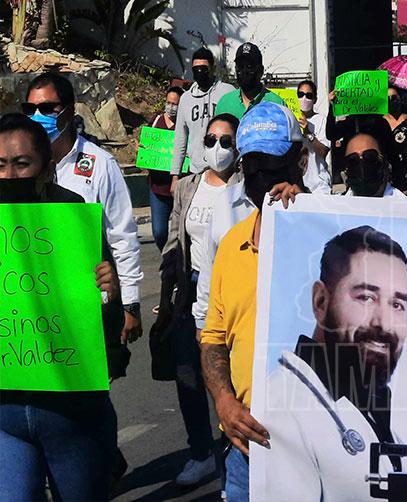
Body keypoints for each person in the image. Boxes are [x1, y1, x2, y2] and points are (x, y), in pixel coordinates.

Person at [0, 113, 124, 501]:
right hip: (6, 410)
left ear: (46, 167)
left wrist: (109, 292)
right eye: (0, 164)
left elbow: (104, 320)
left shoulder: (73, 215)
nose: (9, 175)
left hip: (70, 409)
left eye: (21, 163)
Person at [257, 225, 407, 500]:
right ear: (321, 302)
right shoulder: (281, 409)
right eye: (366, 297)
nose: (384, 323)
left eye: (397, 304)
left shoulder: (372, 409)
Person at [200, 102, 306, 502]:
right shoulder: (232, 245)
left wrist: (306, 215)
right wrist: (224, 402)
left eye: (274, 165)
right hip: (248, 452)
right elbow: (213, 338)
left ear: (298, 161)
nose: (263, 177)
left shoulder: (334, 235)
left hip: (322, 449)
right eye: (253, 166)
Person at [154, 113, 243, 486]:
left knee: (230, 375)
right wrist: (167, 297)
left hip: (233, 291)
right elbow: (174, 241)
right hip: (190, 290)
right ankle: (201, 452)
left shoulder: (246, 187)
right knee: (188, 373)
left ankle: (235, 450)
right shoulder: (188, 186)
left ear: (238, 146)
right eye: (210, 140)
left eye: (225, 141)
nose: (217, 148)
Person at [24, 72, 143, 344]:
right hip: (31, 306)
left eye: (47, 108)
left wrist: (131, 303)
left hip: (86, 307)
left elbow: (121, 236)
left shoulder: (100, 164)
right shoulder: (17, 168)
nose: (38, 116)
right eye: (30, 109)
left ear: (69, 112)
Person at [170, 47, 236, 187]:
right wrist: (175, 175)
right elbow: (180, 139)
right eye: (196, 69)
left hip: (225, 171)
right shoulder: (186, 99)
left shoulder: (228, 92)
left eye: (203, 69)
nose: (200, 73)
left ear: (213, 68)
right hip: (196, 171)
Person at [146, 86, 183, 251]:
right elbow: (147, 145)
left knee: (182, 233)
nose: (171, 107)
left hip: (179, 188)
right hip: (157, 188)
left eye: (175, 104)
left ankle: (178, 261)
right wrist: (143, 150)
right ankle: (167, 256)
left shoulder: (184, 124)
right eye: (168, 103)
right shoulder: (156, 121)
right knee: (159, 232)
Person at [215, 43, 286, 121]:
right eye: (240, 66)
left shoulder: (277, 104)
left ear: (261, 71)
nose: (244, 71)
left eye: (250, 67)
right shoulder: (225, 103)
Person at [342, 133, 407, 198]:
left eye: (370, 156)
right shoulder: (338, 204)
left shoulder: (405, 205)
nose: (361, 164)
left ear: (384, 161)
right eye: (352, 160)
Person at [295, 79, 332, 194]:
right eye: (300, 94)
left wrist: (308, 133)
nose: (304, 98)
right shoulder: (290, 119)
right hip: (296, 184)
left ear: (315, 99)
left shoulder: (321, 121)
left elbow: (323, 152)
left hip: (319, 186)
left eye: (309, 96)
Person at [384, 86, 407, 195]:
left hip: (405, 177)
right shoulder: (379, 122)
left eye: (394, 97)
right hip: (384, 178)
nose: (391, 101)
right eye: (388, 99)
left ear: (400, 99)